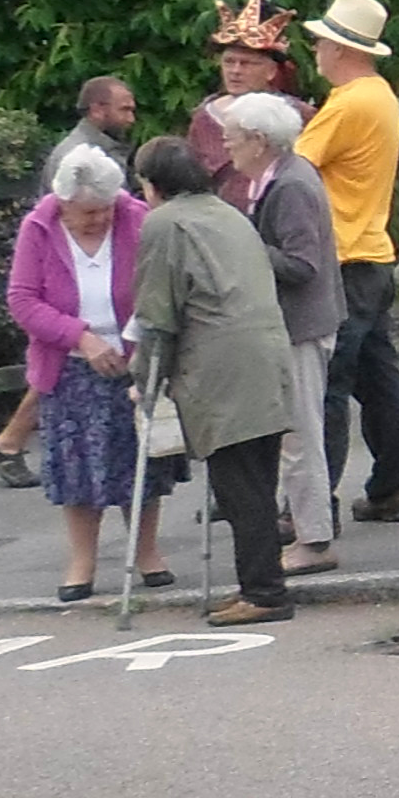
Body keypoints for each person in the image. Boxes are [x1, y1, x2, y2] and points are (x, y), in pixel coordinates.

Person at [131, 136, 297, 628]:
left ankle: (265, 592)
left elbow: (157, 313)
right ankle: (261, 584)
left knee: (239, 488)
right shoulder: (229, 213)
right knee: (257, 482)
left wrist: (144, 378)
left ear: (154, 184)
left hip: (220, 367)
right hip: (265, 355)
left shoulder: (165, 223)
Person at [4, 143, 169, 601]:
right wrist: (81, 337)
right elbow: (22, 300)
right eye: (87, 212)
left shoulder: (136, 218)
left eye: (105, 210)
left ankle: (147, 552)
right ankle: (83, 560)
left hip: (134, 359)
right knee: (77, 470)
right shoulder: (39, 226)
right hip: (71, 367)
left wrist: (137, 344)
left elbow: (158, 286)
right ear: (63, 203)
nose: (99, 219)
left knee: (141, 462)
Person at [286, 0, 399, 519]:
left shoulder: (346, 103)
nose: (315, 48)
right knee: (378, 378)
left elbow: (291, 169)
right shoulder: (380, 95)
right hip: (373, 253)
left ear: (340, 48)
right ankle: (390, 484)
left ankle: (314, 505)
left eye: (320, 40)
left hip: (341, 258)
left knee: (327, 386)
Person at [0, 73, 146, 487]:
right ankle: (8, 442)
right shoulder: (77, 157)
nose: (132, 116)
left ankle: (8, 442)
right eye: (123, 108)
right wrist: (80, 333)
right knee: (59, 379)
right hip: (73, 324)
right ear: (97, 109)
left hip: (109, 340)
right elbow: (30, 285)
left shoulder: (108, 165)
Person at [215, 92, 346, 573]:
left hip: (301, 327)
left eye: (231, 138)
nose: (226, 147)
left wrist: (246, 244)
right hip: (297, 325)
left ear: (258, 140)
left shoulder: (289, 186)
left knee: (300, 436)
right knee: (294, 435)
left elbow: (303, 265)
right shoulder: (280, 178)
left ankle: (314, 541)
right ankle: (310, 533)